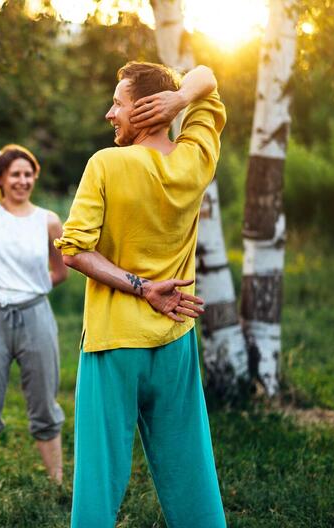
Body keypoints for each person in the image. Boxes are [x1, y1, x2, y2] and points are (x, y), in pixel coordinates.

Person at [55, 63, 227, 527]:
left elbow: (73, 250)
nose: (111, 113)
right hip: (176, 336)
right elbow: (207, 77)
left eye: (119, 103)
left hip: (114, 341)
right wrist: (180, 99)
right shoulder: (195, 161)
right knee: (192, 473)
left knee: (98, 477)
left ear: (146, 109)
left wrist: (143, 287)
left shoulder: (106, 164)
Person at [0, 143, 68, 500]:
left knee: (43, 401)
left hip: (34, 314)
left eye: (28, 174)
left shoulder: (48, 221)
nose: (22, 180)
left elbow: (61, 271)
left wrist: (30, 288)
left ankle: (57, 486)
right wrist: (9, 155)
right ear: (1, 179)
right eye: (15, 174)